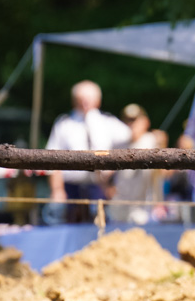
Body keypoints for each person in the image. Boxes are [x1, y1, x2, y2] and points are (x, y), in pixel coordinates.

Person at [45, 80, 131, 223]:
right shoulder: (64, 124)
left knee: (100, 226)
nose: (85, 103)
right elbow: (52, 159)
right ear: (74, 100)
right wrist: (57, 189)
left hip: (100, 186)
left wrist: (112, 174)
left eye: (89, 99)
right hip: (71, 187)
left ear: (98, 100)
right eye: (81, 99)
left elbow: (130, 142)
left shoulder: (108, 122)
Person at [108, 103, 157, 224]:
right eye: (128, 120)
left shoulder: (152, 141)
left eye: (134, 120)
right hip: (119, 206)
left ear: (145, 121)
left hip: (144, 208)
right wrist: (107, 187)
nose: (131, 124)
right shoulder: (118, 145)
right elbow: (105, 175)